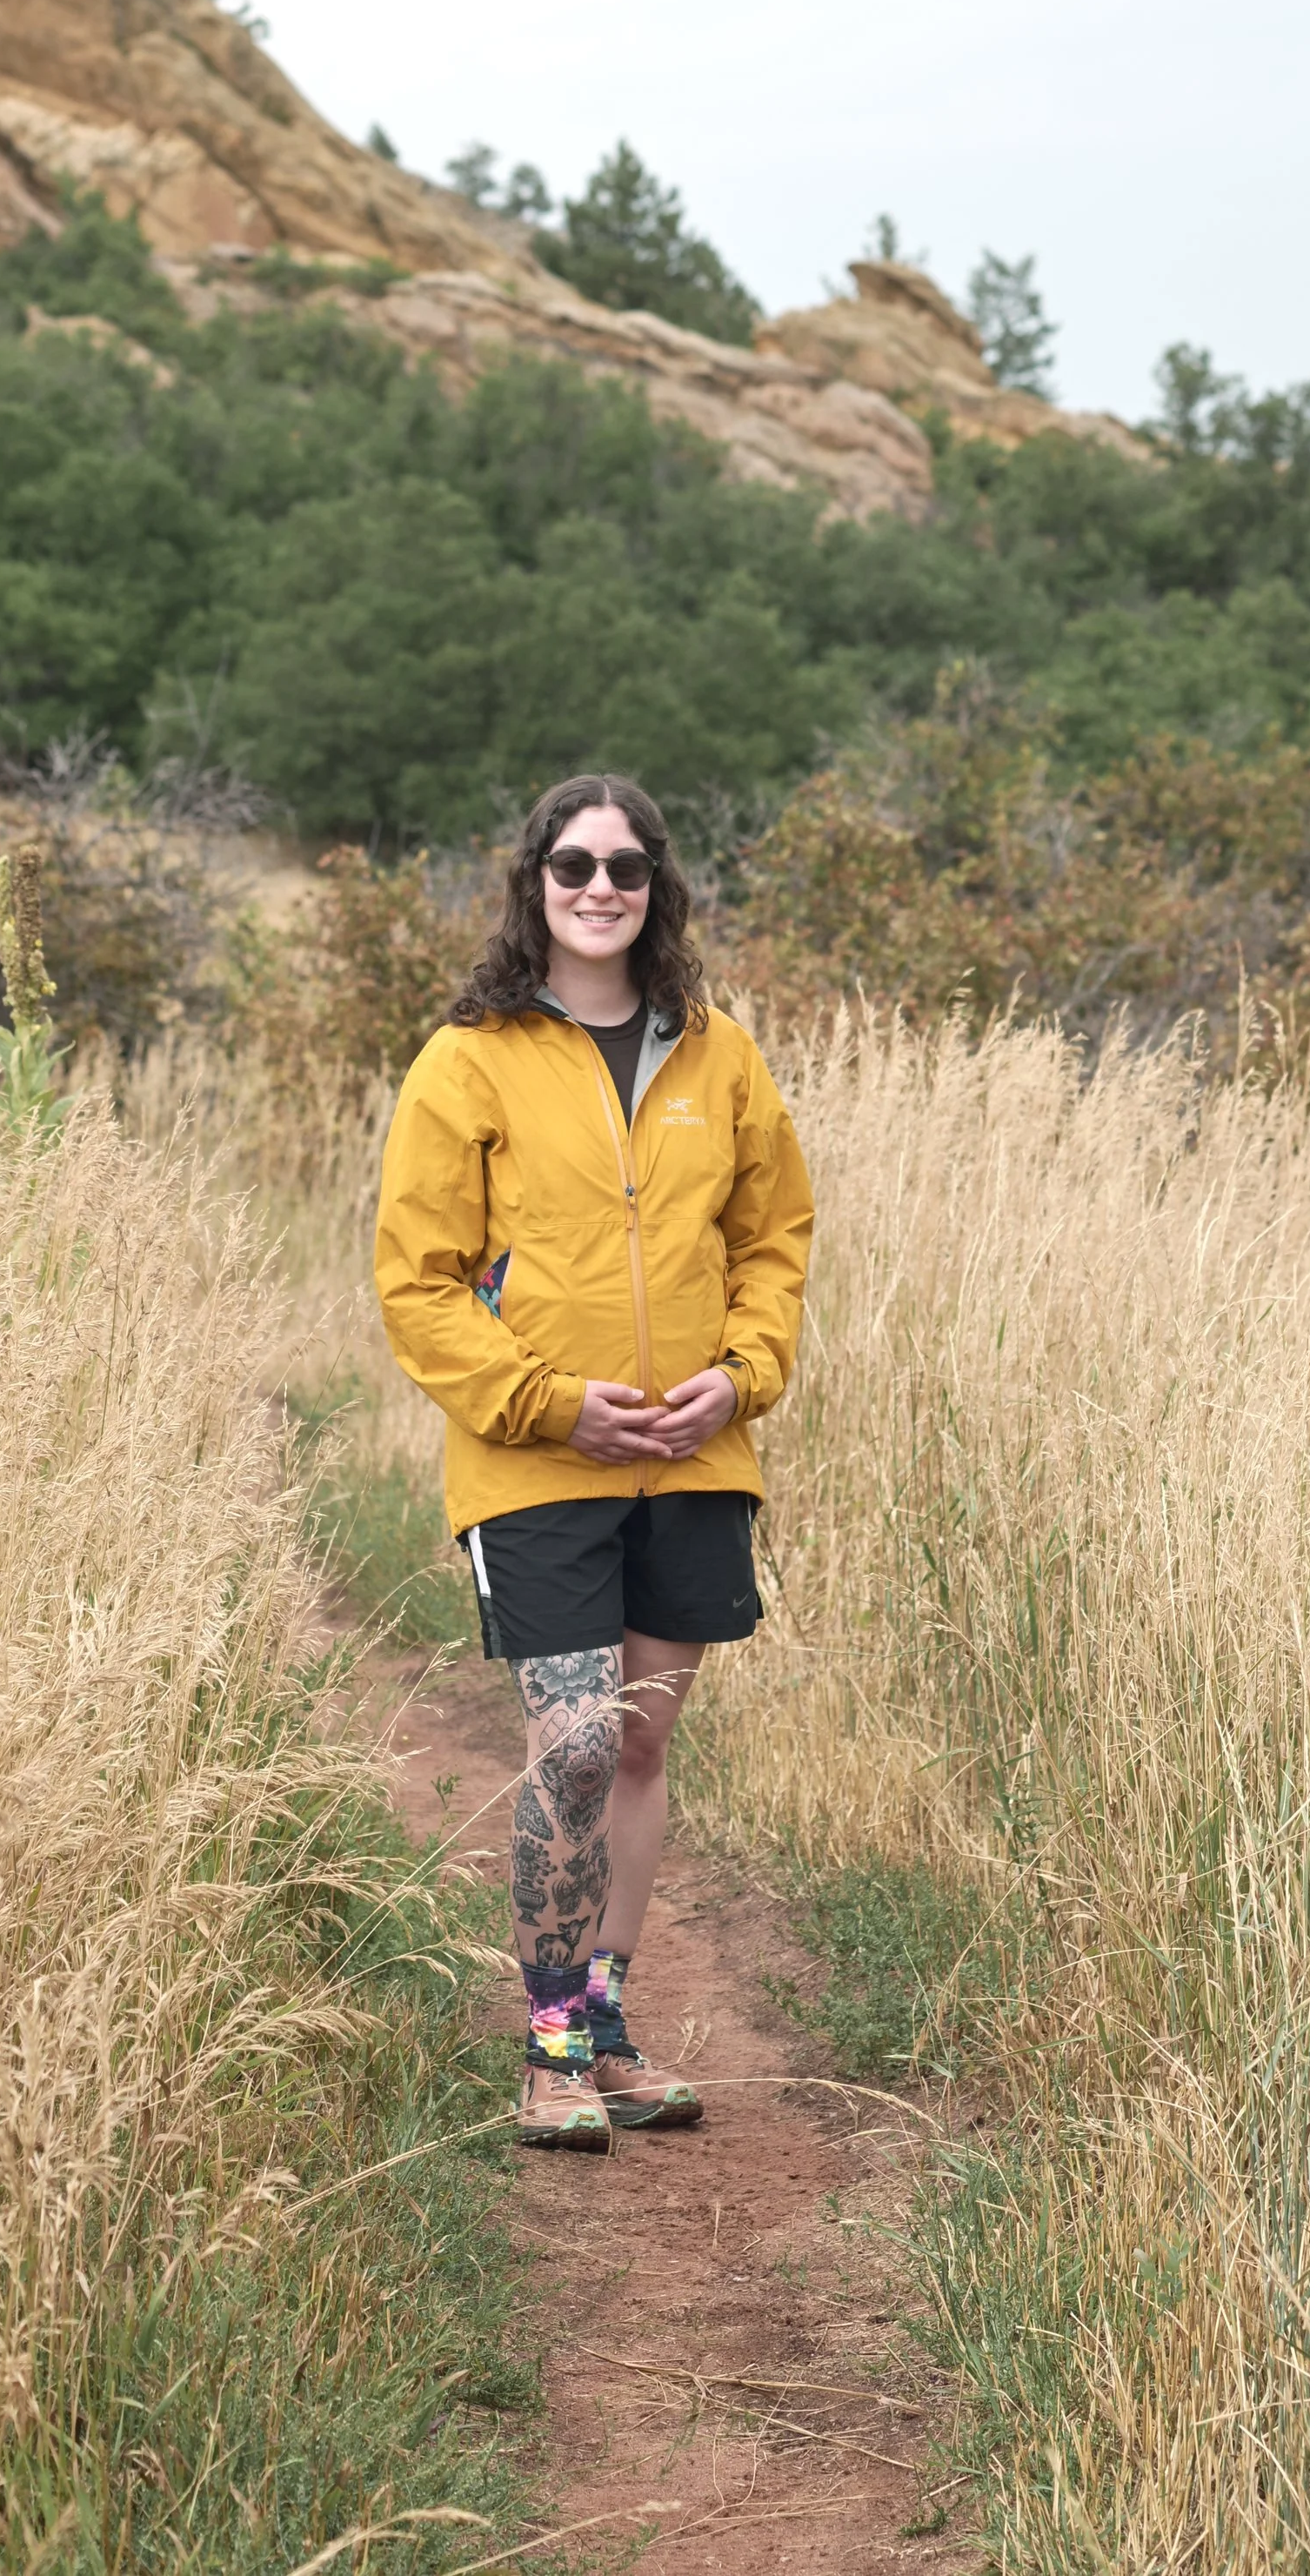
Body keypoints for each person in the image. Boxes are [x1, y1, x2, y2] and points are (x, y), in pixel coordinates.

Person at [374, 773, 814, 2149]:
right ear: (536, 882)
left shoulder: (719, 1055)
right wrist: (549, 1405)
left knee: (637, 1743)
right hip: (536, 1461)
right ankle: (550, 2045)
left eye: (626, 866)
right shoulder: (470, 1058)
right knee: (571, 1742)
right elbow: (419, 1280)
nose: (601, 887)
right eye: (575, 865)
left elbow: (773, 1240)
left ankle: (607, 2028)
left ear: (658, 885)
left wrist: (740, 1374)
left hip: (692, 1454)